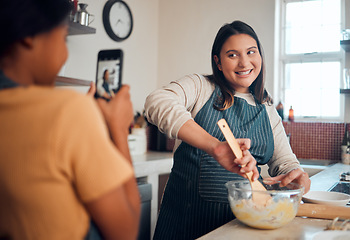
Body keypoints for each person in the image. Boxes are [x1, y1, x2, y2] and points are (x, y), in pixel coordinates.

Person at [144, 20, 311, 239]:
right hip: (187, 224)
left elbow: (286, 164)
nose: (244, 63)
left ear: (260, 56)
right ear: (218, 62)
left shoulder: (267, 106)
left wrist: (298, 178)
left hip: (245, 227)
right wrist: (215, 146)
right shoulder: (201, 87)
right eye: (232, 55)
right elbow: (156, 102)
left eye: (251, 52)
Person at [0, 0, 140, 239]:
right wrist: (117, 128)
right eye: (63, 37)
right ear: (28, 34)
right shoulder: (67, 111)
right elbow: (125, 231)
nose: (65, 54)